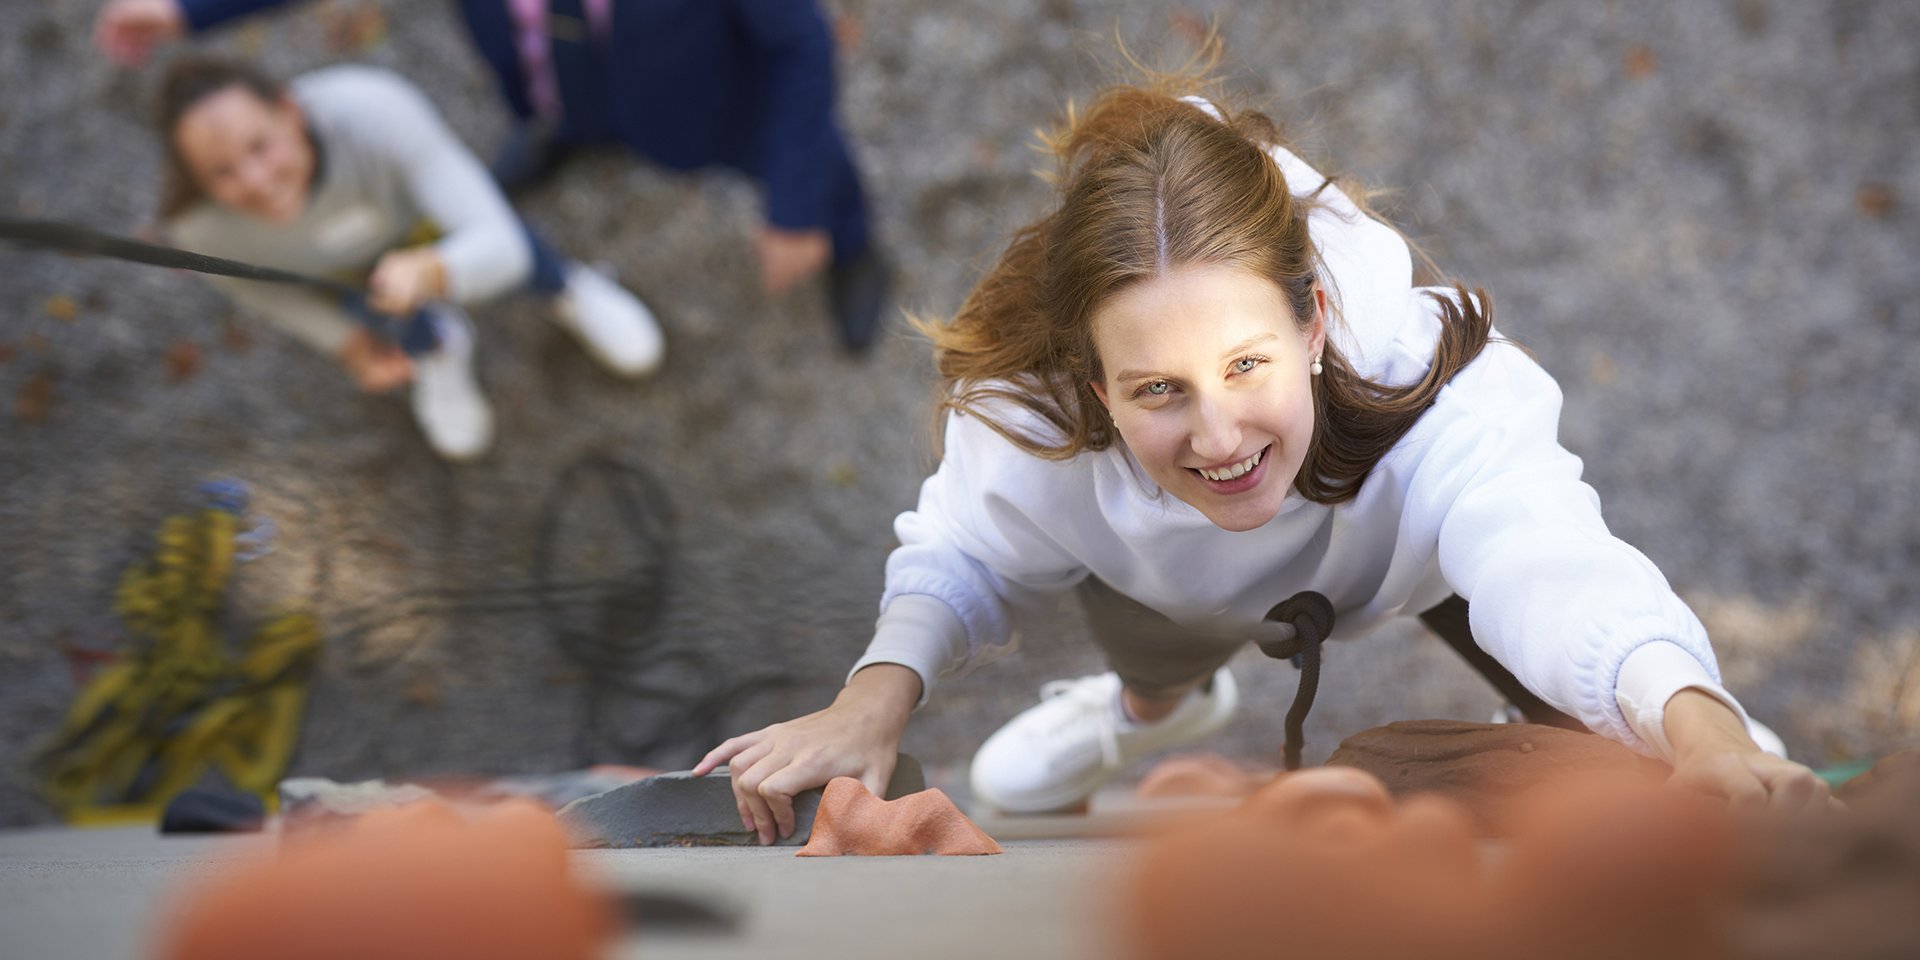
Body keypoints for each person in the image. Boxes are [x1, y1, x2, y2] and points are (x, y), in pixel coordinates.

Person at [693, 72, 1829, 844]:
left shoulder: (1425, 377)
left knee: (1643, 749)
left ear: (1315, 322)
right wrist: (872, 701)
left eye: (1247, 365)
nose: (1220, 435)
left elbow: (1551, 559)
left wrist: (1698, 723)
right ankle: (1148, 709)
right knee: (1161, 616)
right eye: (1157, 389)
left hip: (1424, 567)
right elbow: (963, 553)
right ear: (1095, 382)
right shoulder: (1038, 420)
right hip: (1165, 589)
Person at [96, 0, 894, 355]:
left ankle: (855, 249)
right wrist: (185, 11)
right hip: (553, 78)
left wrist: (795, 209)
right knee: (565, 116)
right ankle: (569, 136)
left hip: (709, 101)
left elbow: (800, 48)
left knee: (818, 172)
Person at [157, 58, 663, 460]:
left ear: (289, 110)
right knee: (382, 315)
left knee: (512, 250)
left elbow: (499, 243)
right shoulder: (200, 230)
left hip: (429, 229)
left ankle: (565, 287)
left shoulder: (374, 110)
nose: (256, 181)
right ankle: (438, 346)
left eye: (260, 146)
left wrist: (435, 269)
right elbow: (264, 293)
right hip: (353, 280)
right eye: (222, 172)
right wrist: (349, 344)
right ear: (197, 180)